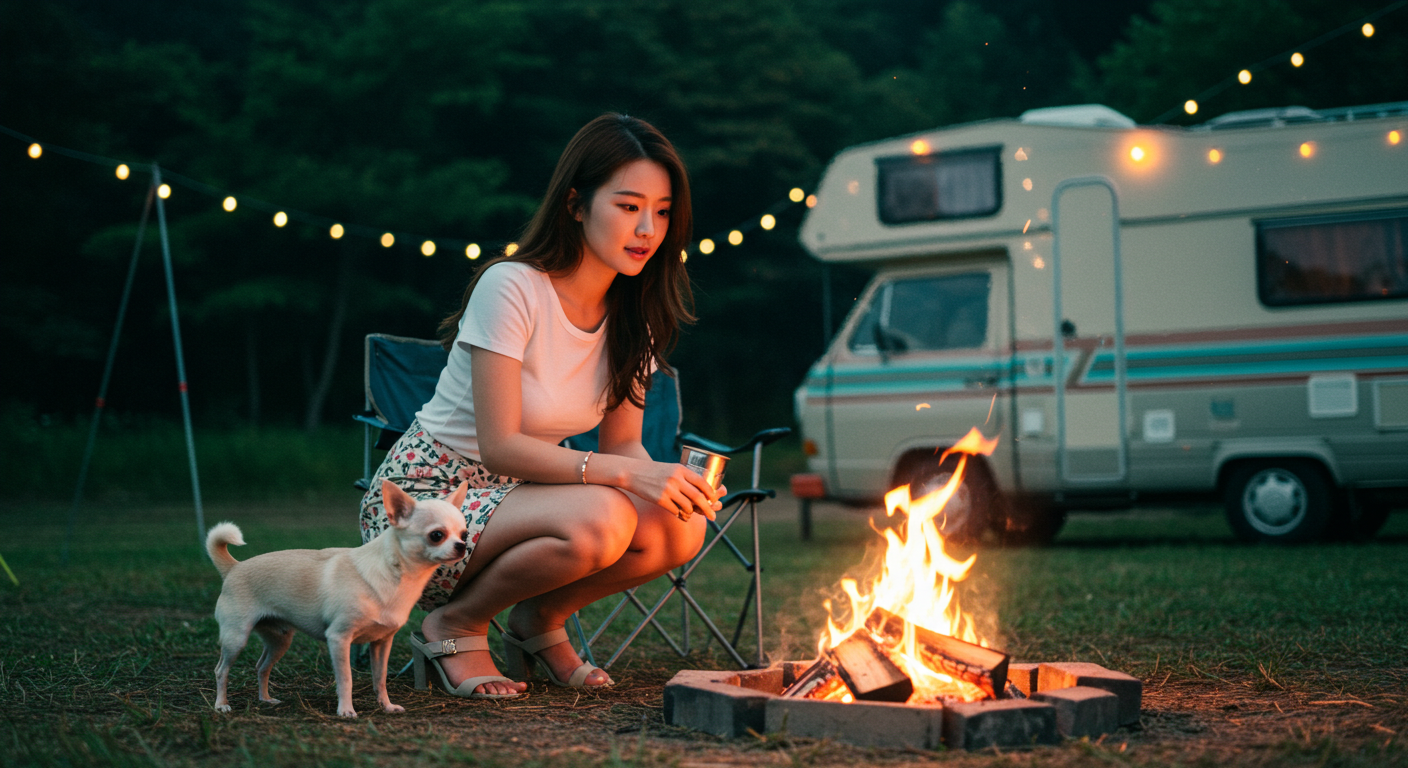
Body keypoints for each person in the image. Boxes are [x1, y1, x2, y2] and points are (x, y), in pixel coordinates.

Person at [358, 114, 723, 698]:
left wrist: (667, 483)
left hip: (525, 496)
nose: (647, 228)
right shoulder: (513, 286)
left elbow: (622, 445)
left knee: (678, 529)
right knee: (605, 518)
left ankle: (537, 622)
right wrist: (631, 475)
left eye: (661, 210)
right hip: (429, 502)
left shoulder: (636, 318)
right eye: (629, 206)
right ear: (576, 204)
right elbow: (501, 444)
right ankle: (455, 624)